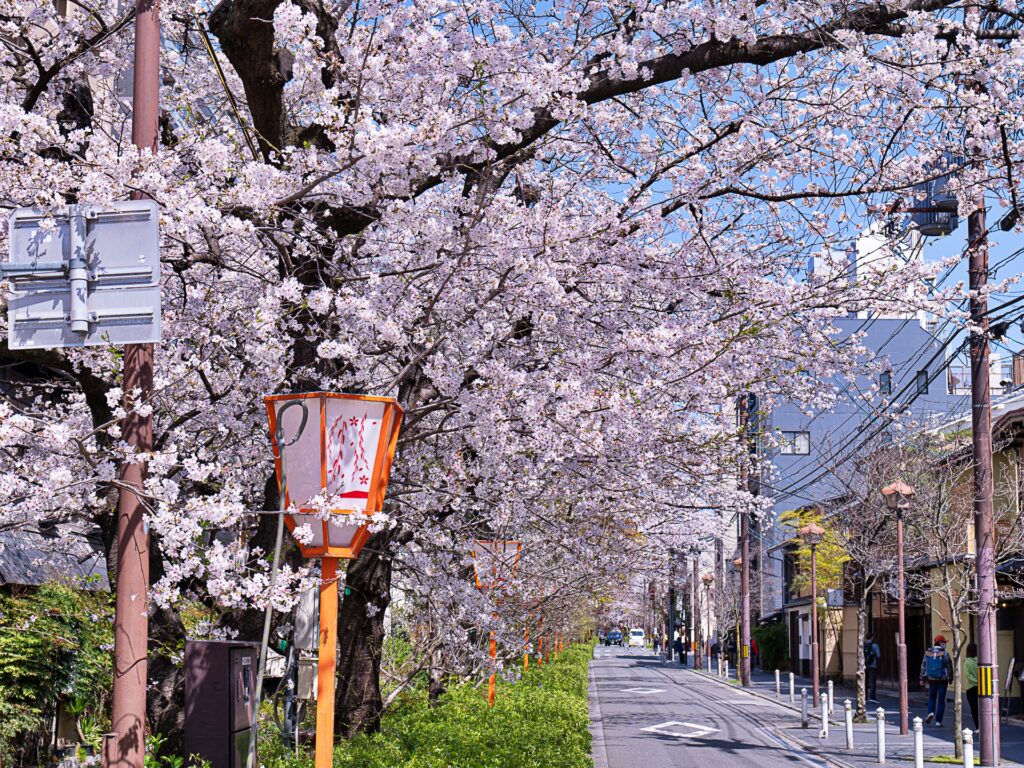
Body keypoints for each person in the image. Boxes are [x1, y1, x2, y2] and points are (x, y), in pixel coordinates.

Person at [920, 635, 954, 726]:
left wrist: (922, 678)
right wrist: (951, 678)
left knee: (932, 697)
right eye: (944, 643)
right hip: (943, 680)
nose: (945, 644)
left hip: (931, 679)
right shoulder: (945, 654)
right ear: (941, 643)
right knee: (941, 700)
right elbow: (949, 667)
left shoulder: (928, 653)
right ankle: (938, 721)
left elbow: (923, 666)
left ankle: (931, 712)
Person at [964, 642, 979, 730]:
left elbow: (968, 675)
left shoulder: (967, 662)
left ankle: (978, 727)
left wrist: (975, 682)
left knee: (974, 709)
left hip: (971, 688)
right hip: (981, 687)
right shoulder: (980, 660)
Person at [864, 633, 881, 703]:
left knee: (864, 681)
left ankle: (864, 697)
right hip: (873, 665)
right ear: (872, 637)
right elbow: (878, 655)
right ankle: (872, 697)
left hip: (864, 665)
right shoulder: (875, 645)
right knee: (872, 681)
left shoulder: (863, 645)